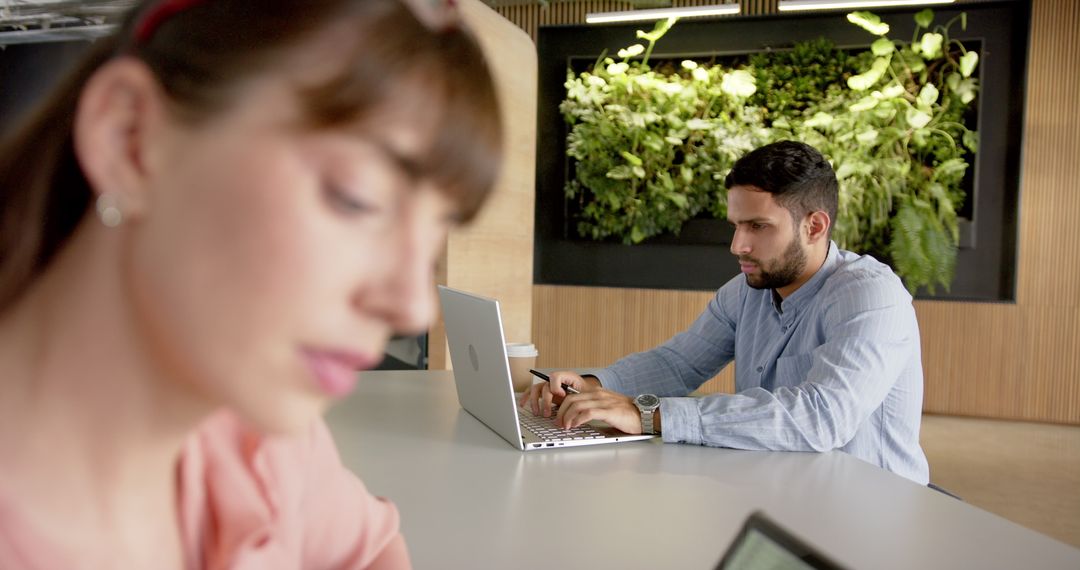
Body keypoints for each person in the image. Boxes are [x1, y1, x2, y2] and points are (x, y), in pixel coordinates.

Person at [0, 0, 501, 568]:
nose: (412, 307)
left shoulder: (257, 441)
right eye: (358, 198)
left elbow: (371, 549)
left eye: (435, 237)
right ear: (129, 138)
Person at [521, 140, 930, 484]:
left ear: (815, 226)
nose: (738, 246)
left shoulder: (872, 295)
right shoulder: (746, 291)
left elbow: (821, 417)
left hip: (869, 513)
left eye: (758, 227)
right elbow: (679, 364)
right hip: (781, 487)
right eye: (735, 226)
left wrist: (648, 414)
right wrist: (593, 385)